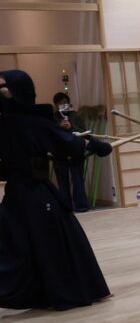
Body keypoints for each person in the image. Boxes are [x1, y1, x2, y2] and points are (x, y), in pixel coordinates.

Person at [0, 70, 113, 310]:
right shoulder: (21, 121)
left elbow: (64, 142)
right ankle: (57, 291)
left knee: (30, 242)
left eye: (2, 86)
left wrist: (86, 143)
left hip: (30, 192)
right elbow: (68, 143)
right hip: (27, 193)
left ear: (18, 90)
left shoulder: (25, 121)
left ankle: (43, 292)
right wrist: (93, 144)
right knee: (34, 242)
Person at [52, 92, 91, 212]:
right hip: (59, 152)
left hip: (76, 150)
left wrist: (70, 127)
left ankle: (81, 206)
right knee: (62, 181)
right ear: (55, 105)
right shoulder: (52, 117)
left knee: (78, 180)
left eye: (65, 102)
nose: (63, 105)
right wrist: (59, 126)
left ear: (69, 103)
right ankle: (66, 207)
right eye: (60, 103)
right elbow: (50, 133)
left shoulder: (76, 115)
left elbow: (85, 133)